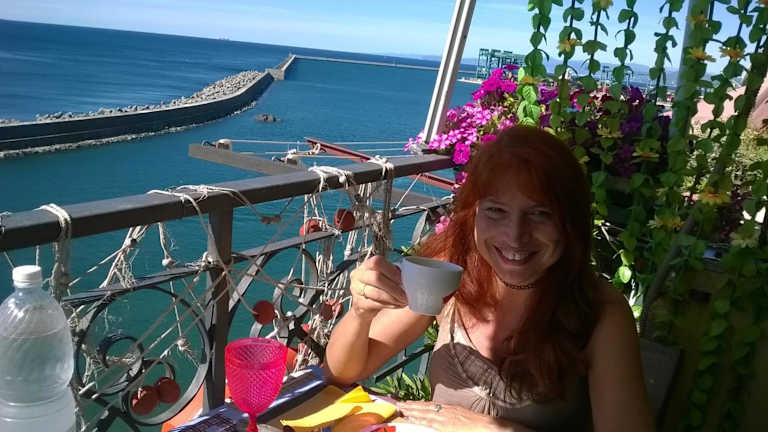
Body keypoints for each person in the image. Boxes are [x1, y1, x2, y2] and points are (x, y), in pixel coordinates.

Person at [324, 126, 654, 431]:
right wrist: (361, 313)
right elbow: (344, 371)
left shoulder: (601, 313)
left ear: (570, 223)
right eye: (496, 210)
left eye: (540, 214)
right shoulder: (451, 271)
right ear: (473, 214)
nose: (515, 235)